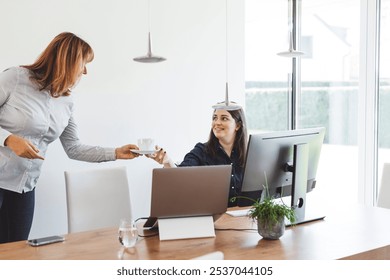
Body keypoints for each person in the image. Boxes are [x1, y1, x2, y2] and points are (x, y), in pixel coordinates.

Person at [0, 32, 140, 244]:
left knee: (16, 255)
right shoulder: (15, 78)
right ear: (68, 60)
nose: (85, 71)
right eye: (84, 63)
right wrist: (8, 139)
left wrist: (115, 153)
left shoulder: (66, 102)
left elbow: (73, 147)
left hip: (24, 188)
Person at [149, 105, 248, 207]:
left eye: (224, 118)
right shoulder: (202, 151)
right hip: (214, 217)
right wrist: (167, 161)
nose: (217, 123)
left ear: (238, 125)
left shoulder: (248, 153)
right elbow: (180, 175)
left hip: (243, 217)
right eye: (215, 118)